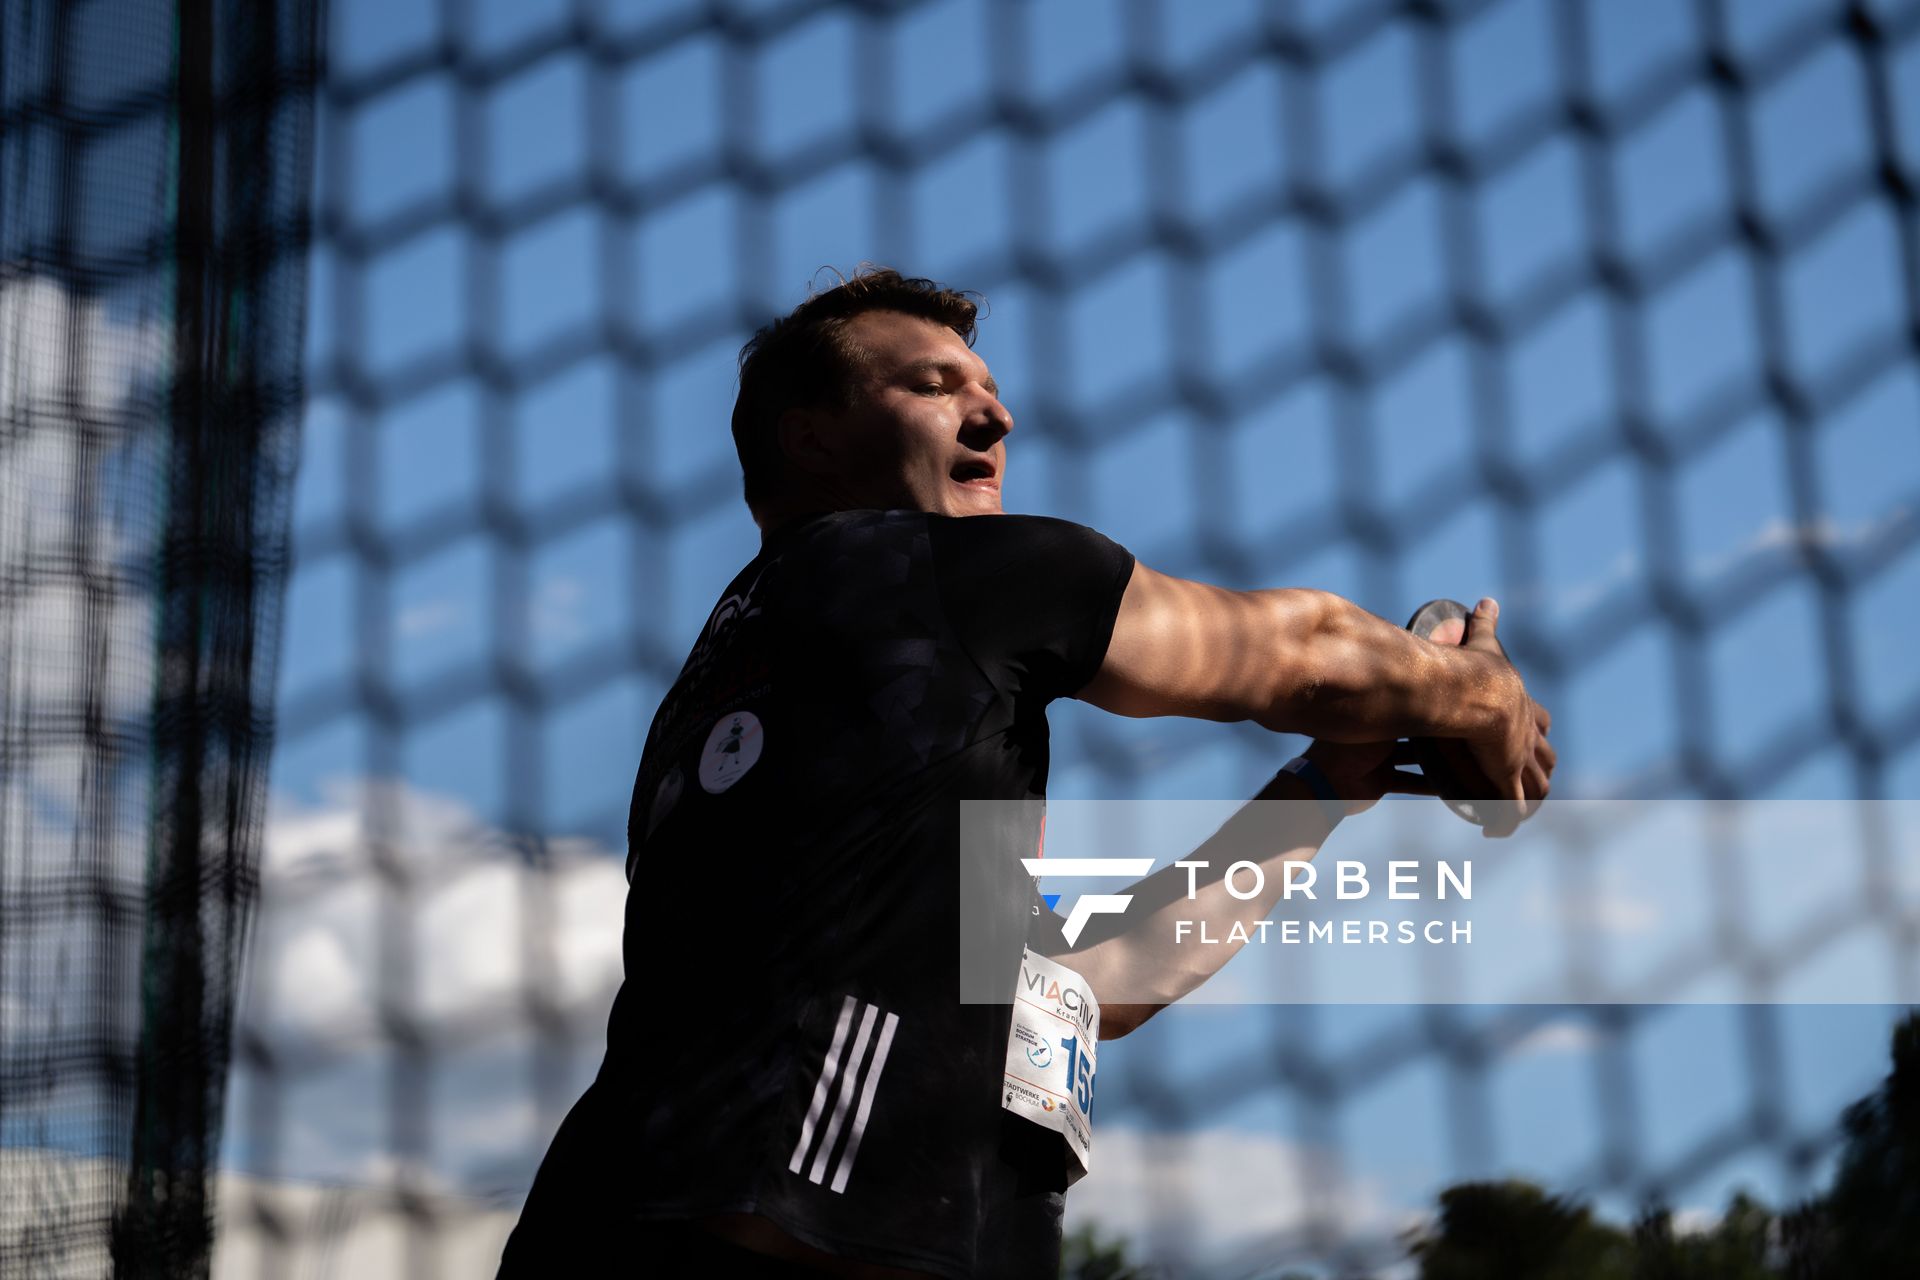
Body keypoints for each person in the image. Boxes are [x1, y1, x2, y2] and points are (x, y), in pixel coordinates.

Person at [496, 268, 1554, 1279]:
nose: (994, 418)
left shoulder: (802, 682)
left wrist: (1323, 792)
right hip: (775, 1245)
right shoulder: (918, 575)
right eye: (932, 385)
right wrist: (1482, 696)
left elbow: (1089, 989)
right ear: (810, 440)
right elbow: (1299, 653)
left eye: (992, 391)